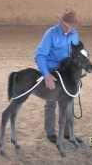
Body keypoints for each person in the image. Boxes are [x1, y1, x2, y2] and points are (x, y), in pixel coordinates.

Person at [35, 9, 83, 144]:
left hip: (67, 73)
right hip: (52, 71)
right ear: (61, 22)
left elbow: (76, 54)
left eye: (72, 26)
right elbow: (40, 55)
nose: (69, 29)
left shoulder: (75, 34)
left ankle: (68, 133)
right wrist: (46, 75)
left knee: (69, 102)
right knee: (51, 102)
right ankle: (50, 132)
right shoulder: (50, 34)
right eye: (66, 25)